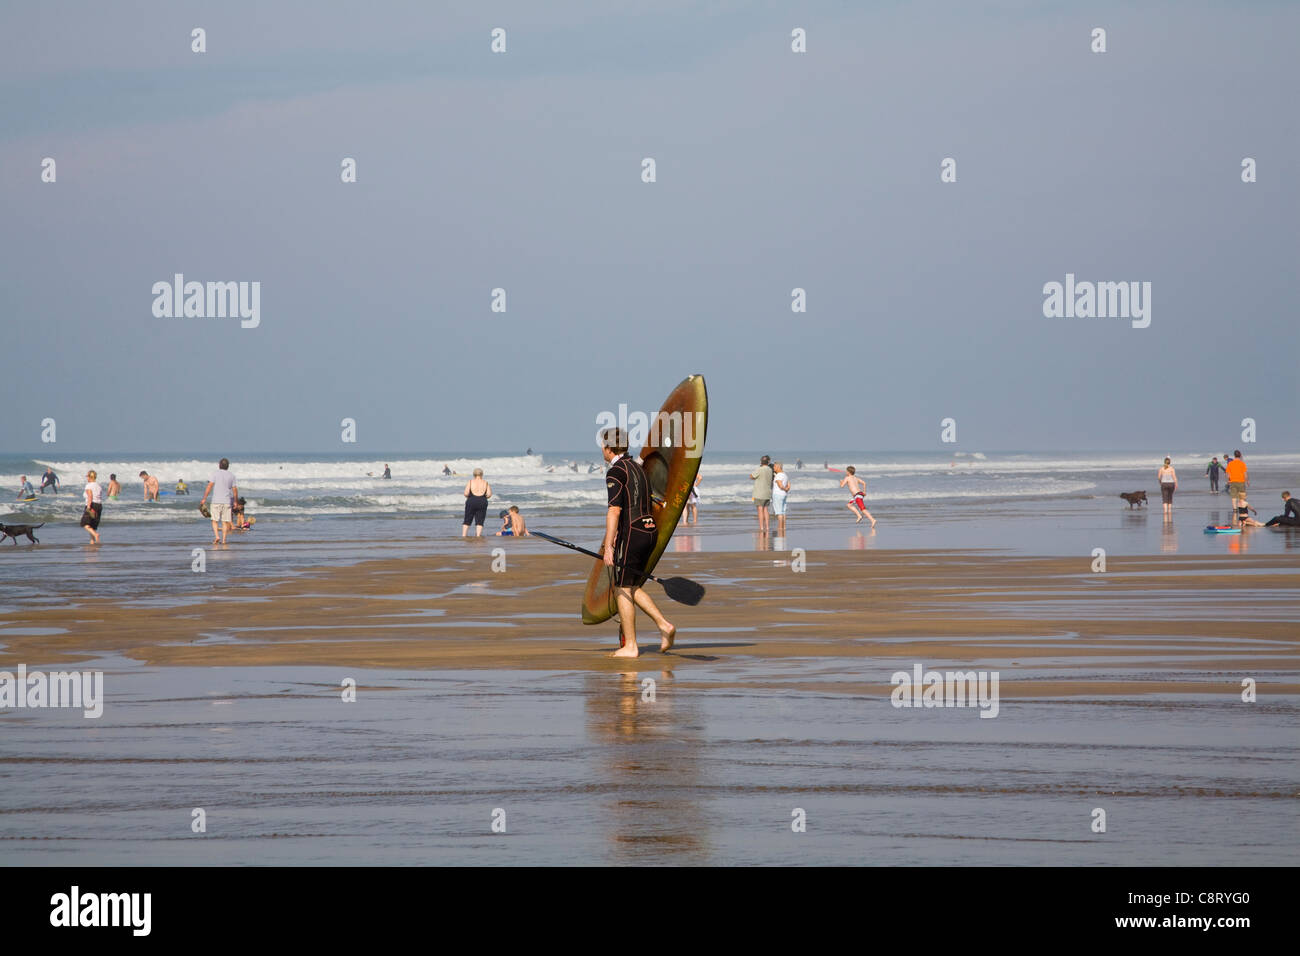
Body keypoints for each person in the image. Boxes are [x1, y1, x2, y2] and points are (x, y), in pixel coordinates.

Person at [599, 427, 675, 659]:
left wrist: (610, 546)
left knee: (622, 588)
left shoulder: (615, 472)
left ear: (609, 449)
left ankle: (631, 646)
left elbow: (614, 510)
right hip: (649, 530)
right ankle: (664, 625)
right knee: (632, 585)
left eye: (603, 446)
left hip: (632, 532)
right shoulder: (638, 468)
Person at [200, 458, 239, 546]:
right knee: (225, 522)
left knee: (214, 520)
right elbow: (235, 490)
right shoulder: (232, 476)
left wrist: (204, 498)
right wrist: (236, 501)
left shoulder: (215, 474)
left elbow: (209, 486)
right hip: (227, 501)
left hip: (216, 501)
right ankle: (224, 540)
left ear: (219, 465)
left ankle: (217, 536)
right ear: (228, 466)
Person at [462, 468, 492, 537]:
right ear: (482, 474)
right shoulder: (485, 482)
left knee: (467, 519)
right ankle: (478, 536)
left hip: (471, 500)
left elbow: (466, 493)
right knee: (480, 520)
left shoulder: (470, 482)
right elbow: (489, 494)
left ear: (474, 474)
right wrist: (483, 497)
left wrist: (471, 496)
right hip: (482, 501)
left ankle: (464, 535)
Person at [750, 455, 774, 533]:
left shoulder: (760, 469)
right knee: (766, 510)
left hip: (759, 493)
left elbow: (751, 476)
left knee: (760, 510)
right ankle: (767, 527)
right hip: (767, 493)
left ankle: (761, 527)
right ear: (768, 461)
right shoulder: (770, 470)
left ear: (761, 462)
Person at [80, 470, 102, 544]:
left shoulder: (89, 485)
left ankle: (96, 535)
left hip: (91, 504)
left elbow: (90, 496)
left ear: (90, 477)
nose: (87, 478)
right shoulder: (98, 485)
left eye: (88, 476)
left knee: (84, 523)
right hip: (99, 505)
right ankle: (92, 542)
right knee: (92, 525)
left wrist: (89, 507)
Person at [771, 461, 790, 536]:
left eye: (775, 466)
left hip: (778, 494)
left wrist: (784, 488)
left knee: (779, 513)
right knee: (783, 512)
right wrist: (787, 489)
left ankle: (780, 527)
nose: (773, 468)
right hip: (784, 495)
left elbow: (780, 485)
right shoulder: (785, 475)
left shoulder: (778, 475)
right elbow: (789, 484)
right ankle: (784, 527)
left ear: (778, 467)